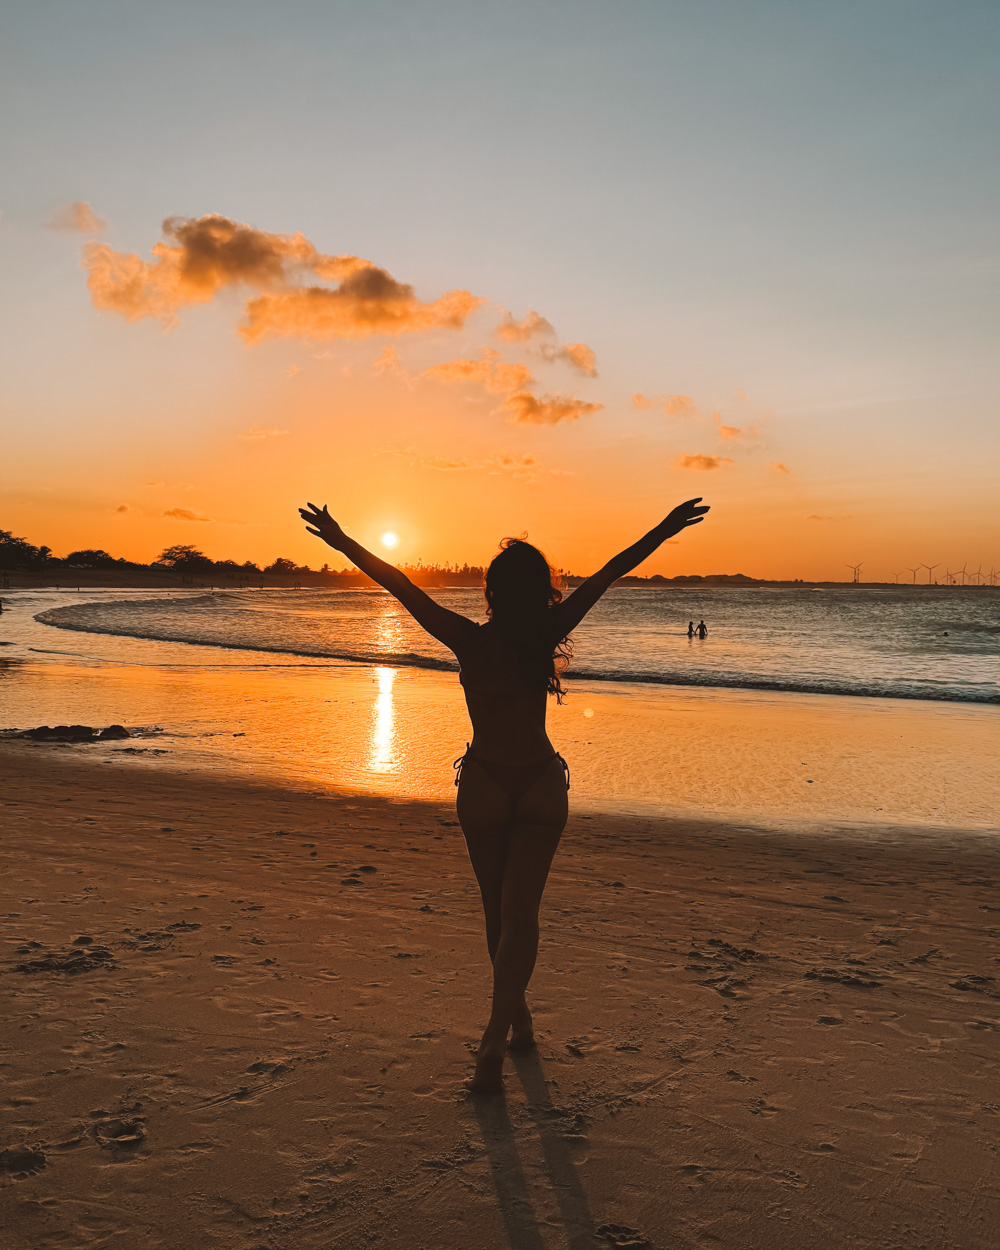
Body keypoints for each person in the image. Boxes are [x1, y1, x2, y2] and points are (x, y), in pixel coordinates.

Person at [299, 495, 710, 1094]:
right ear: (542, 590)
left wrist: (340, 539)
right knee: (523, 918)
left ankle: (503, 1032)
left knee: (497, 915)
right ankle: (509, 1027)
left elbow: (398, 584)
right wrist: (665, 528)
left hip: (485, 783)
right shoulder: (547, 632)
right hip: (539, 783)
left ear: (490, 590)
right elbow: (611, 571)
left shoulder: (465, 638)